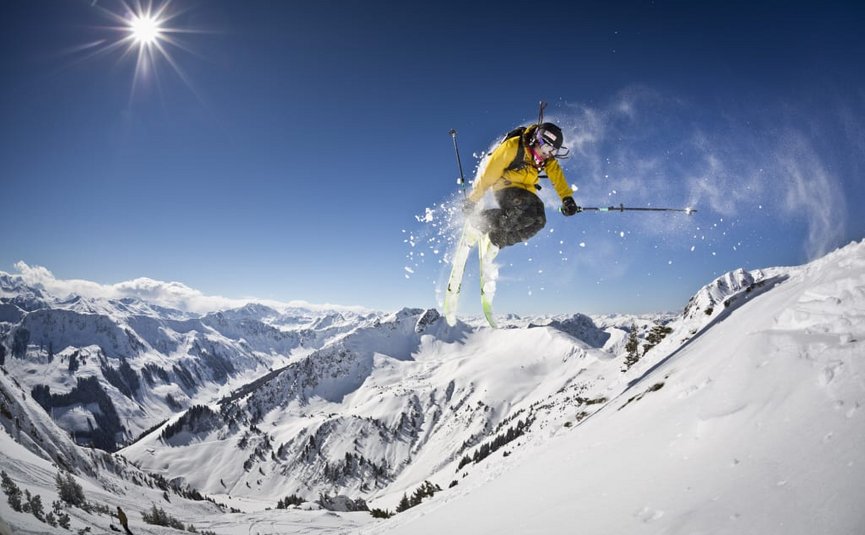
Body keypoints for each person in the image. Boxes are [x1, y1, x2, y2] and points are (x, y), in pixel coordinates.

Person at [463, 122, 580, 249]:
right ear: (537, 140)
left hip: (526, 191)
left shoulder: (547, 160)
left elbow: (557, 177)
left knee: (539, 220)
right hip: (505, 186)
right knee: (522, 205)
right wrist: (473, 200)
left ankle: (498, 240)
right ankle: (479, 222)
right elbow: (488, 176)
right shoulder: (513, 147)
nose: (548, 154)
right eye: (546, 148)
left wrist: (567, 198)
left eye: (553, 151)